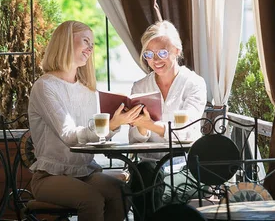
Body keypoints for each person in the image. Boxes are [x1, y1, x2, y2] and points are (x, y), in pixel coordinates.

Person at [28, 20, 143, 221]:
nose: (90, 48)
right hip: (50, 176)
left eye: (92, 43)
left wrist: (118, 122)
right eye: (85, 41)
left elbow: (93, 134)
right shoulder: (45, 86)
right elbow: (70, 136)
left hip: (84, 172)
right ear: (65, 42)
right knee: (92, 200)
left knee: (121, 192)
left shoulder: (87, 89)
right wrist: (113, 124)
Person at [128, 20, 207, 148]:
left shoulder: (194, 83)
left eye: (162, 53)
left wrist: (149, 124)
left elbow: (186, 131)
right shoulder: (140, 87)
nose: (155, 60)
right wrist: (141, 127)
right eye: (149, 54)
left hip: (184, 162)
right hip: (149, 164)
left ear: (177, 50)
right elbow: (133, 139)